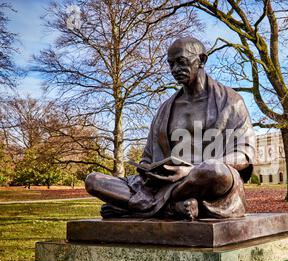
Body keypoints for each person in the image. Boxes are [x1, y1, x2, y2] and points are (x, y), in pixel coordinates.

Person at [85, 37, 256, 220]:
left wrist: (191, 171)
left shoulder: (231, 101)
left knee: (215, 170)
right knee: (94, 181)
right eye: (171, 64)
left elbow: (244, 154)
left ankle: (141, 206)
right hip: (161, 184)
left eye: (181, 62)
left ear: (202, 60)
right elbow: (147, 157)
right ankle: (174, 206)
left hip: (206, 183)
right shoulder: (165, 109)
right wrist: (148, 169)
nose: (175, 70)